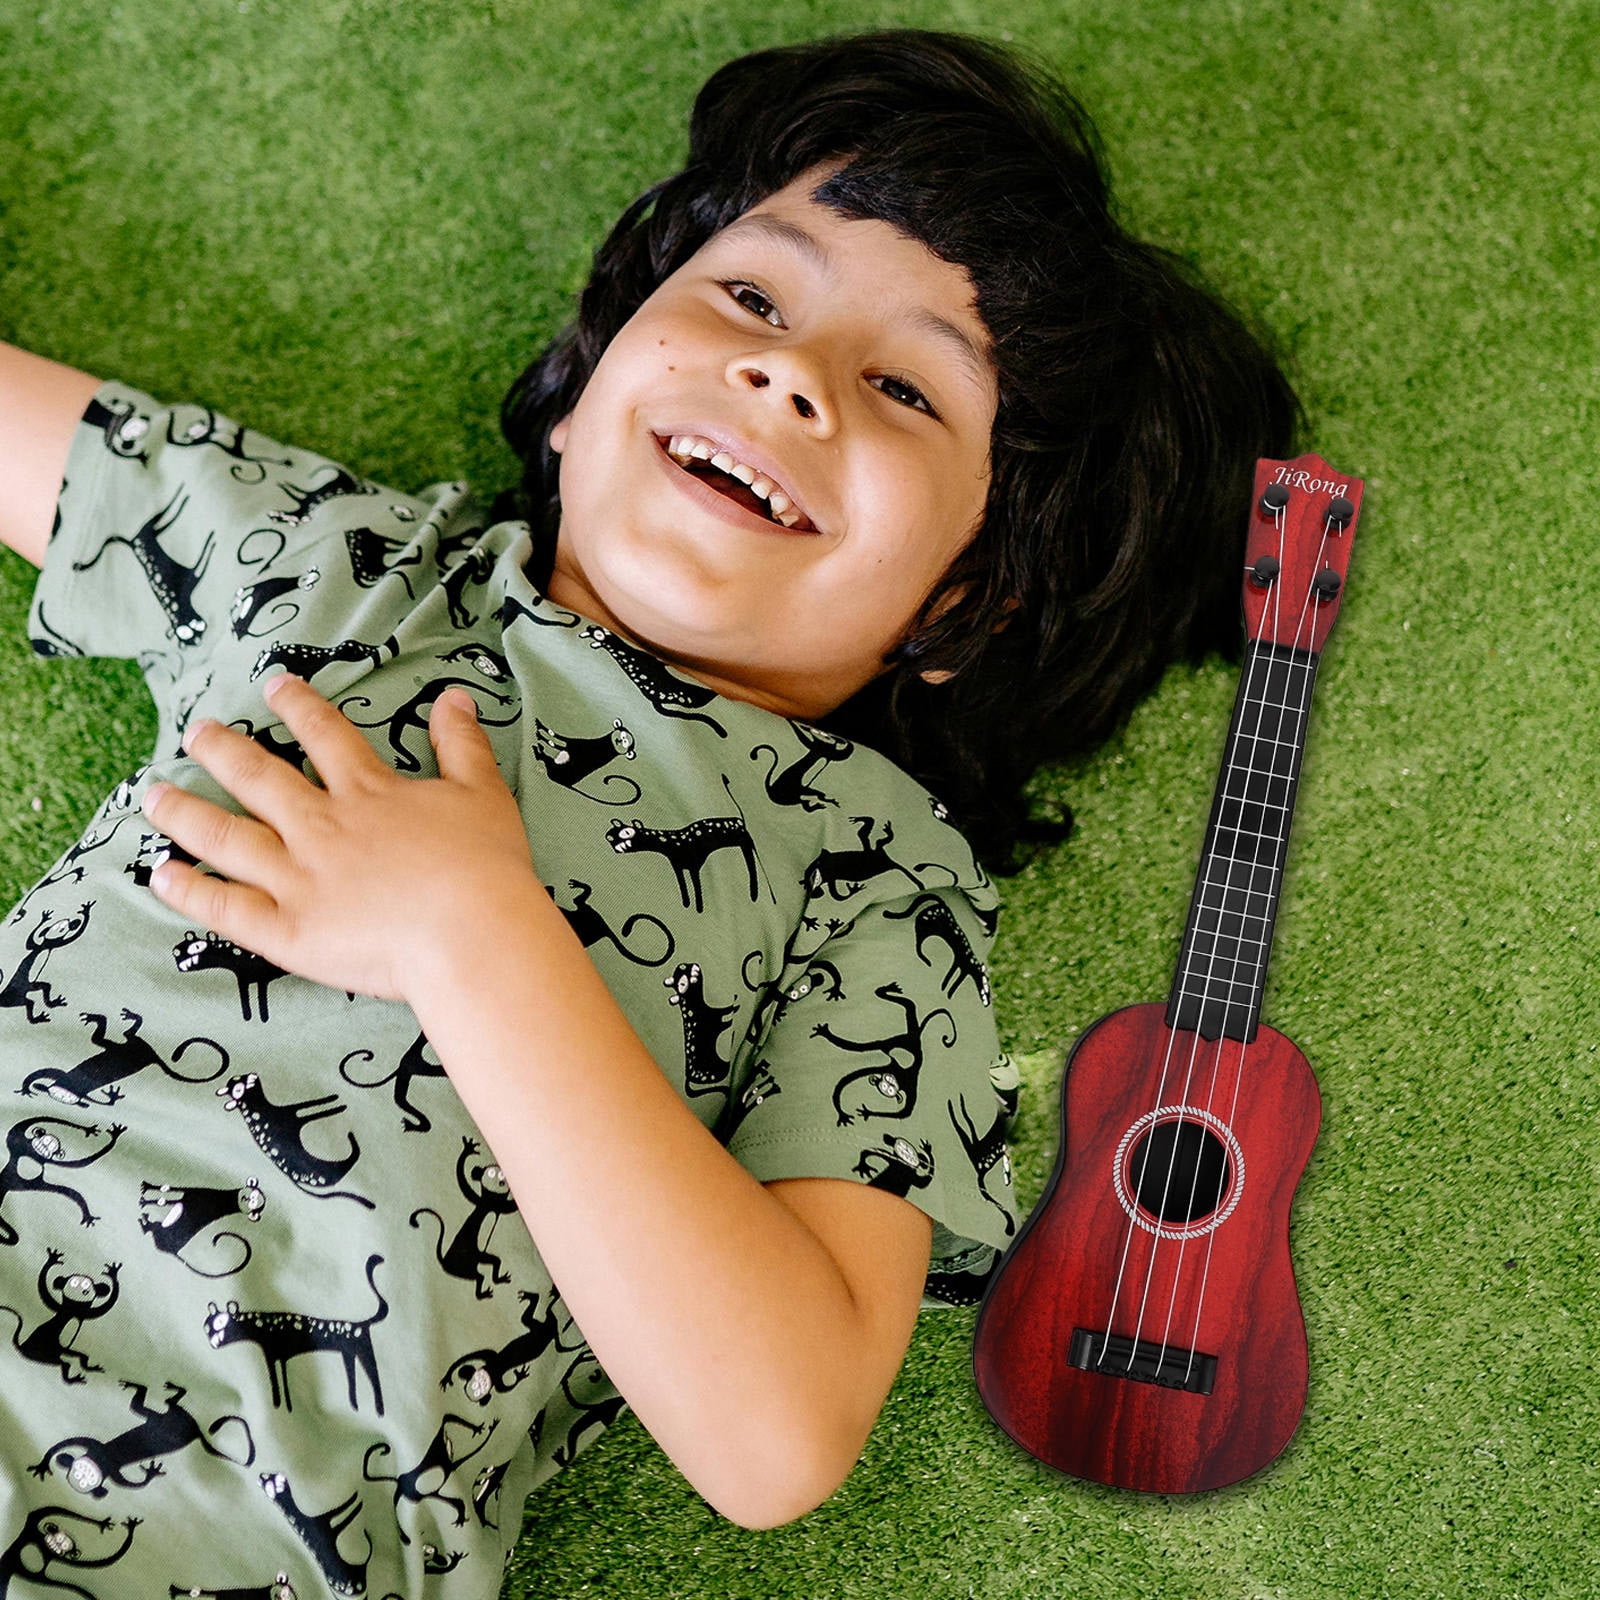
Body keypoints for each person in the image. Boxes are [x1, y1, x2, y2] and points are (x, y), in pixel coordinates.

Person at [0, 28, 1298, 1598]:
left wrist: (473, 938)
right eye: (752, 296)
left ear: (968, 605)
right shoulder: (347, 570)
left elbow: (778, 1433)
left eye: (904, 388)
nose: (787, 374)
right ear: (585, 385)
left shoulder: (877, 879)